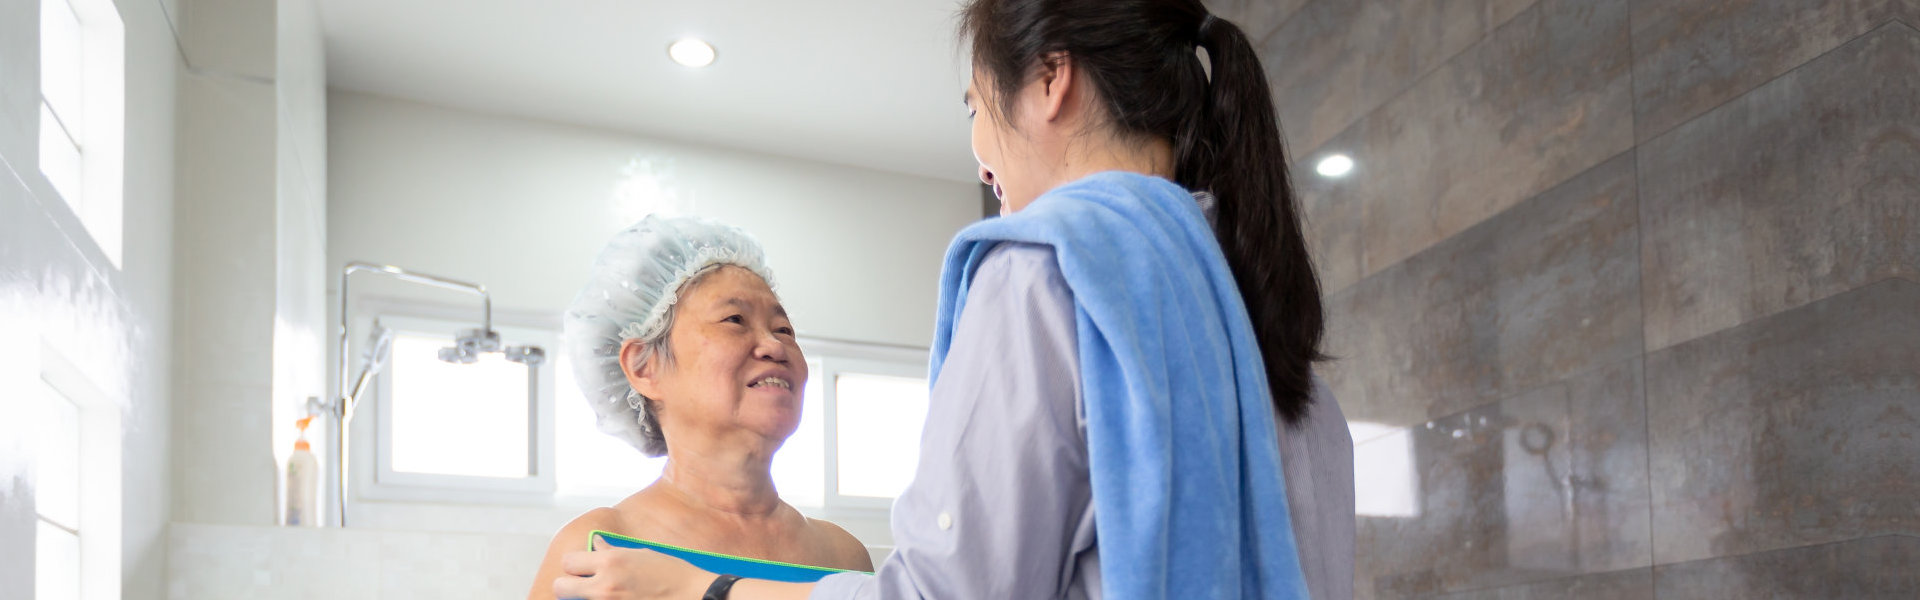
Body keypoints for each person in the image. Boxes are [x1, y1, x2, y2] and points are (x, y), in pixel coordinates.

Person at [550, 1, 1355, 598]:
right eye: (734, 319)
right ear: (641, 366)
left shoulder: (1044, 272)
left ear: (1051, 79)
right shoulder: (1256, 317)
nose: (978, 155)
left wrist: (707, 591)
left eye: (973, 106)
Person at [528, 215, 874, 600]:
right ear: (644, 368)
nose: (775, 346)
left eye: (783, 329)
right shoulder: (598, 549)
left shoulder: (843, 555)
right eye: (735, 320)